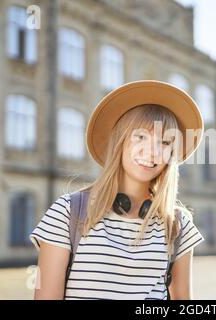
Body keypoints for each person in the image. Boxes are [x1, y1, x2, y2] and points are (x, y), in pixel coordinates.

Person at [29, 80, 206, 300]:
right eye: (140, 137)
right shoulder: (67, 213)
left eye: (164, 142)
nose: (151, 151)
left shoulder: (178, 226)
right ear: (119, 141)